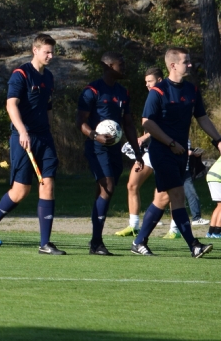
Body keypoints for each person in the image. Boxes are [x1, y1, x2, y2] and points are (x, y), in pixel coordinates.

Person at [131, 47, 219, 258]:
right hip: (162, 152)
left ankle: (139, 241)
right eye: (185, 61)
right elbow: (147, 122)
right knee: (178, 195)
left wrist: (218, 140)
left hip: (180, 152)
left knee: (162, 198)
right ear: (173, 65)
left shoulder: (191, 90)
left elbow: (202, 118)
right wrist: (170, 143)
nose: (190, 64)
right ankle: (194, 245)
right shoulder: (158, 91)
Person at [0, 34, 63, 254]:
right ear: (35, 50)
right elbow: (11, 105)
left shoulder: (49, 77)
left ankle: (45, 243)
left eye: (52, 52)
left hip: (44, 138)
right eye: (47, 52)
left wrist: (50, 131)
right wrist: (23, 131)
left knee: (48, 185)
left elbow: (48, 107)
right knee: (20, 191)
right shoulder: (21, 74)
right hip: (23, 138)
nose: (50, 56)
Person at [76, 51, 144, 255]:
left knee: (104, 191)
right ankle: (97, 242)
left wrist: (137, 151)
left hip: (114, 148)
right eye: (120, 64)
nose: (124, 67)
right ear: (109, 66)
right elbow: (80, 122)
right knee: (108, 186)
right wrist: (95, 135)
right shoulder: (92, 90)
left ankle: (94, 242)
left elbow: (128, 123)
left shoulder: (123, 92)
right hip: (96, 147)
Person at [115, 67, 164, 237]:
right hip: (150, 150)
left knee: (168, 190)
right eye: (145, 82)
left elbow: (163, 126)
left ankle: (175, 229)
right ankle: (134, 225)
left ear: (159, 80)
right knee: (132, 184)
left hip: (165, 150)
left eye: (150, 81)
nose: (147, 85)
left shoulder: (166, 97)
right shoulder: (152, 97)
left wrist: (144, 137)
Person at [205, 158, 221, 238]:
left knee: (219, 205)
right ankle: (217, 232)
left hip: (211, 176)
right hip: (218, 177)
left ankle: (210, 232)